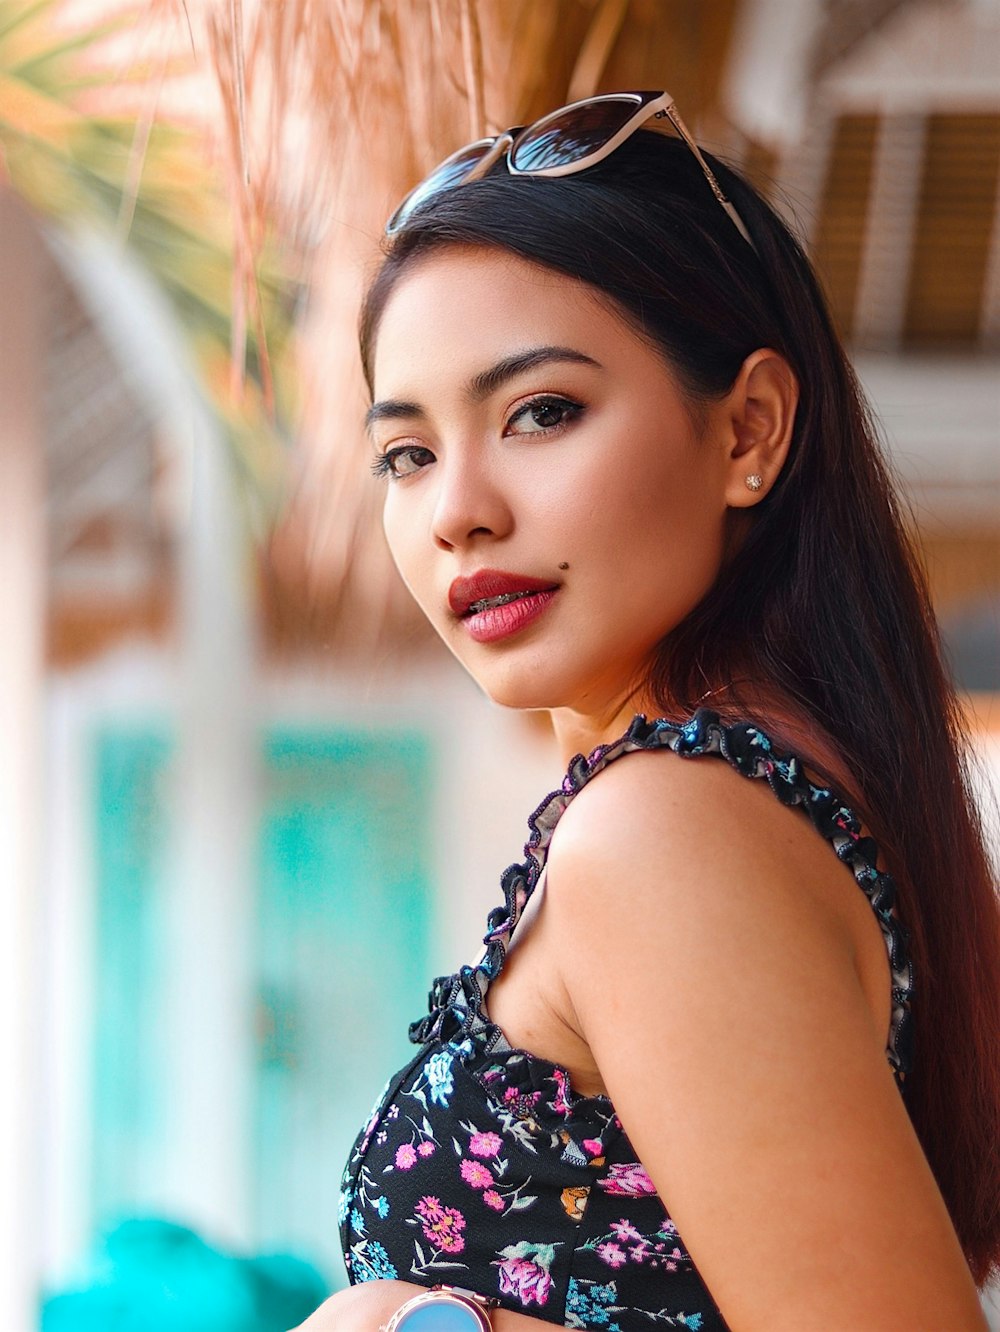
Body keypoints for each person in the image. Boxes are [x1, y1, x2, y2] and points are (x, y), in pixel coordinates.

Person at [297, 92, 1000, 1331]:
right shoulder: (726, 804)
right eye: (407, 452)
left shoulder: (663, 831)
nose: (457, 507)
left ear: (749, 431)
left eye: (540, 412)